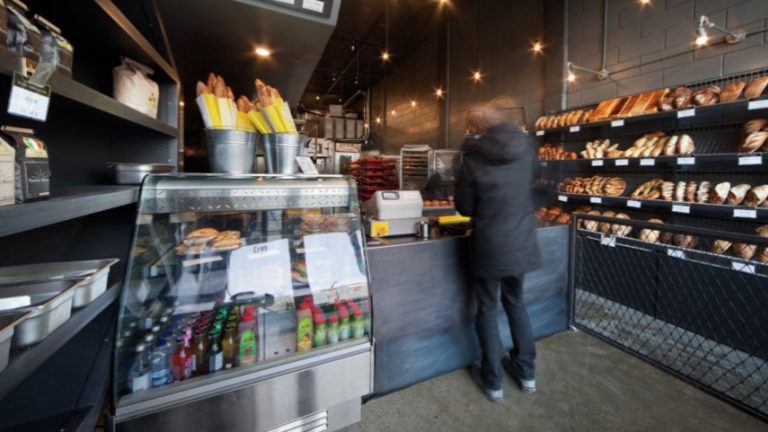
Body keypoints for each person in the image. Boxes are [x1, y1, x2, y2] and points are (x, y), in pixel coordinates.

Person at [455, 98, 541, 403]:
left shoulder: (473, 157)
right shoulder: (528, 149)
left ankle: (493, 381)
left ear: (482, 126)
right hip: (521, 241)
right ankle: (525, 372)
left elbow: (464, 208)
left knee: (488, 309)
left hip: (490, 244)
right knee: (516, 303)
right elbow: (533, 187)